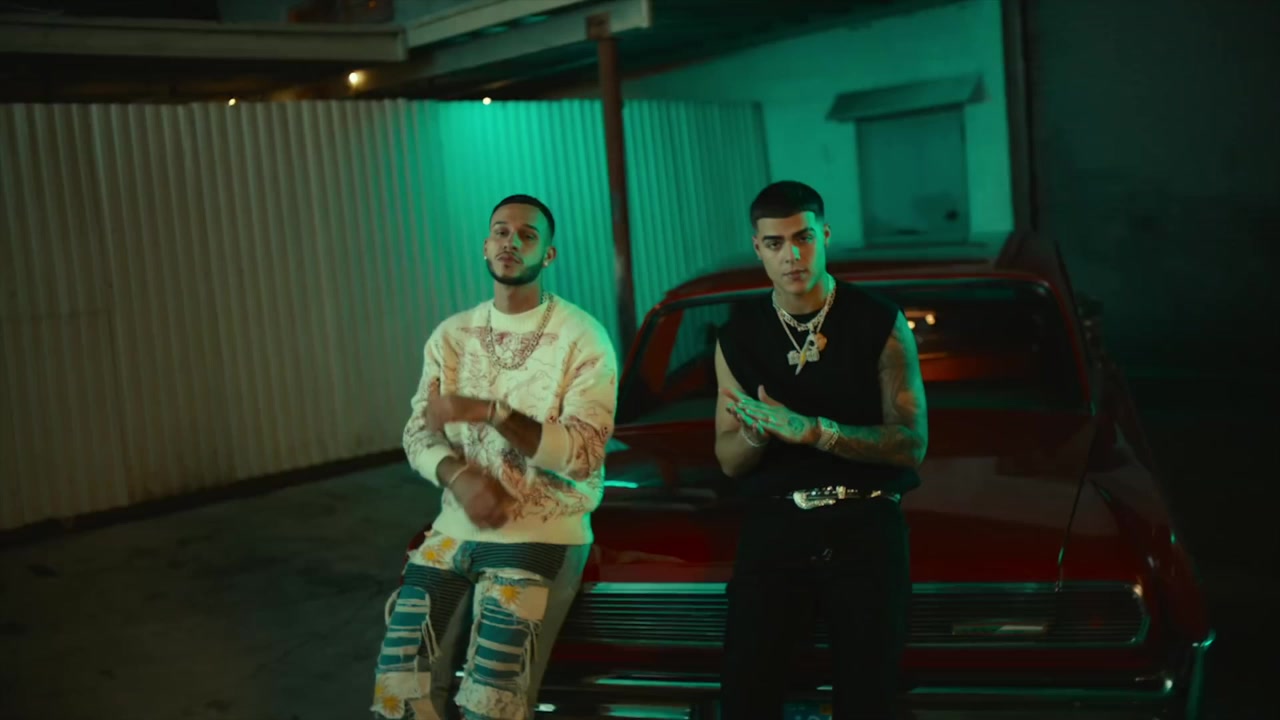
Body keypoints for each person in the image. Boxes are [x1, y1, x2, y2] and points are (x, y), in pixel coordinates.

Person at [371, 194, 618, 720]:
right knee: (398, 694)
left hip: (541, 532)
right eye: (501, 232)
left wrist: (491, 412)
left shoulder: (582, 337)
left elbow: (583, 454)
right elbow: (418, 431)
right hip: (452, 531)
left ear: (548, 255)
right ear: (485, 245)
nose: (511, 242)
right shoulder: (451, 335)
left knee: (493, 704)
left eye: (528, 235)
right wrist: (458, 476)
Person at [713, 181, 928, 719]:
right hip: (776, 527)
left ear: (825, 236)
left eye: (803, 238)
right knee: (744, 693)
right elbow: (729, 459)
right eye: (775, 243)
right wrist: (760, 431)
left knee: (867, 696)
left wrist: (813, 431)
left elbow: (911, 443)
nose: (792, 255)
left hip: (865, 522)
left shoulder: (878, 320)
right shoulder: (738, 335)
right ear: (758, 247)